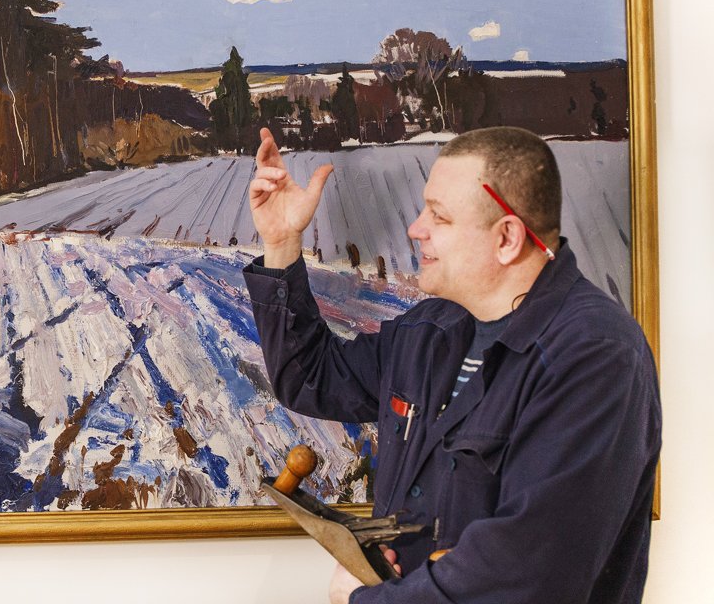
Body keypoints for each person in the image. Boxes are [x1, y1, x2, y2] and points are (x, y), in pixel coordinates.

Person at [242, 126, 660, 604]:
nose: (416, 228)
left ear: (507, 237)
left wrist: (364, 601)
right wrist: (282, 244)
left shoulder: (595, 356)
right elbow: (312, 378)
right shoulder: (431, 329)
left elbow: (530, 575)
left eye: (438, 216)